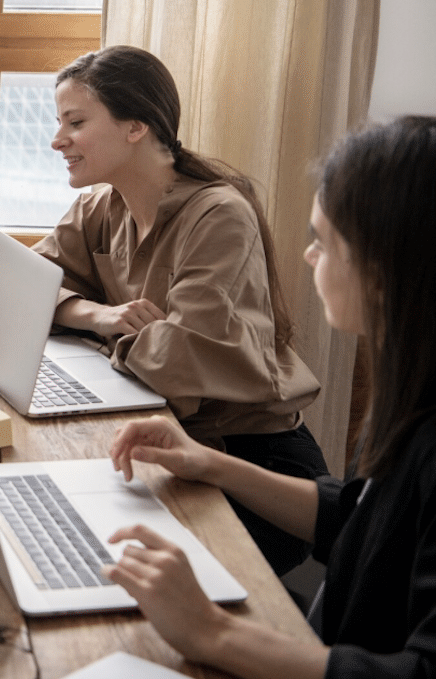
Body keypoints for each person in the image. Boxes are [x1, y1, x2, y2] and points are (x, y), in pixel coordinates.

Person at [104, 115, 436, 678]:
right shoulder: (411, 388)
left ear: (382, 272)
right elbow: (359, 518)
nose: (308, 258)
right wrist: (211, 463)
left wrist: (213, 631)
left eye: (323, 242)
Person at [33, 45, 328, 575]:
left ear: (135, 127)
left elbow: (178, 361)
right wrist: (95, 316)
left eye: (75, 122)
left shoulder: (219, 216)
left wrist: (104, 332)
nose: (58, 140)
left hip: (252, 459)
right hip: (171, 439)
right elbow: (23, 286)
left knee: (99, 565)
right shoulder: (102, 206)